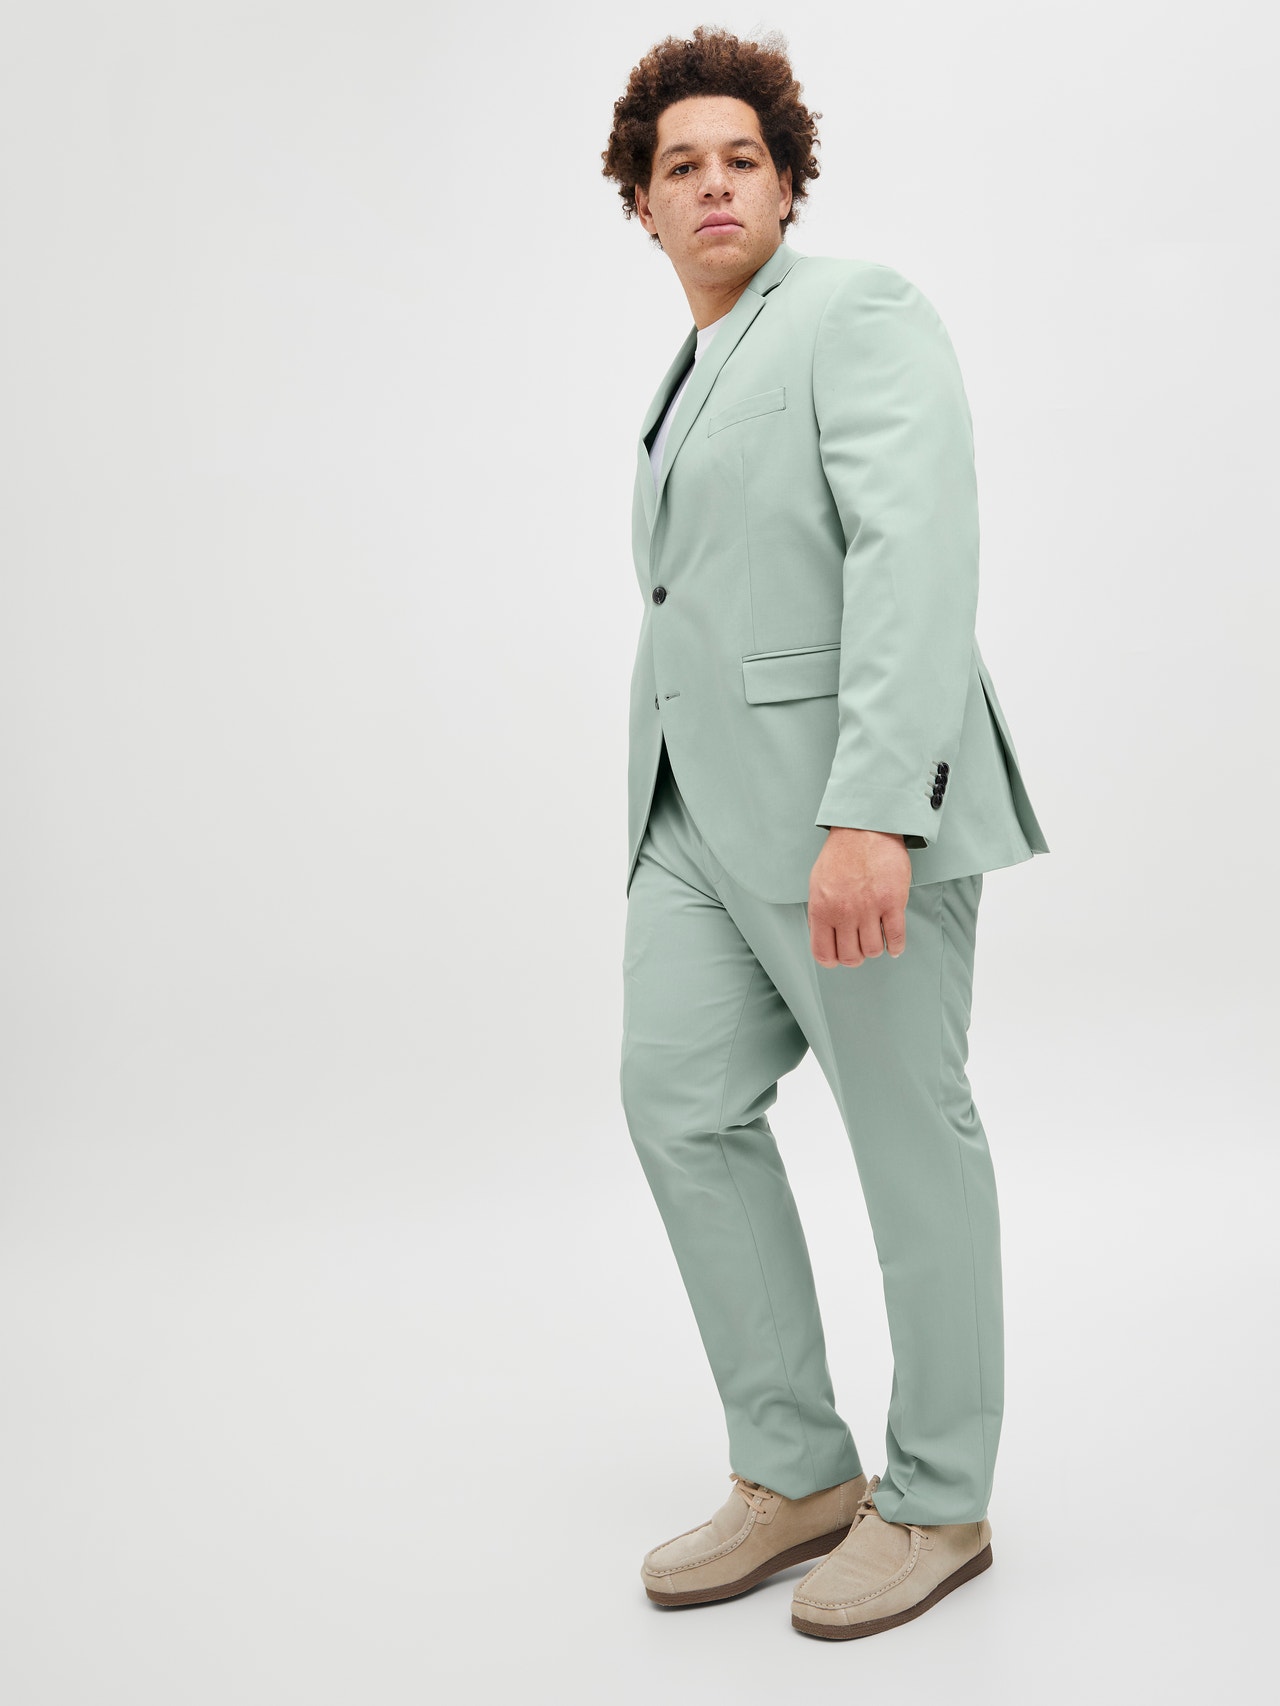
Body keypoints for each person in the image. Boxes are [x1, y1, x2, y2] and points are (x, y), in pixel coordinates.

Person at [600, 26, 1050, 1641]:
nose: (714, 184)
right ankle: (795, 1467)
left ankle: (939, 1497)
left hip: (850, 814)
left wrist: (874, 808)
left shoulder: (856, 314)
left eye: (744, 159)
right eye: (681, 166)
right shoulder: (691, 371)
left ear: (787, 185)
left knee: (907, 1135)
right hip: (695, 818)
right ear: (644, 207)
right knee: (675, 1098)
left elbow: (912, 553)